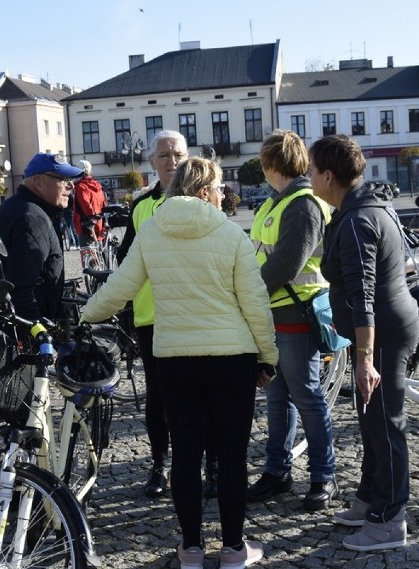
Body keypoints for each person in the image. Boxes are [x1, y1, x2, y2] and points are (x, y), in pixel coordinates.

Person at [83, 156, 276, 568]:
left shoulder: (151, 230)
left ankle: (189, 548)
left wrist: (83, 316)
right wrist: (268, 357)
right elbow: (256, 305)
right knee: (231, 456)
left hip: (175, 360)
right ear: (205, 191)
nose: (224, 195)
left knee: (186, 455)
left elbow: (120, 287)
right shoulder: (230, 233)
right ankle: (233, 549)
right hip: (232, 359)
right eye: (221, 187)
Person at [309, 134, 419, 551]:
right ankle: (370, 500)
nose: (308, 177)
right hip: (382, 328)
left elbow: (364, 296)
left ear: (329, 175)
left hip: (382, 332)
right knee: (371, 417)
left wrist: (365, 358)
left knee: (386, 423)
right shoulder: (362, 206)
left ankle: (391, 519)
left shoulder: (357, 220)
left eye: (311, 171)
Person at [247, 130, 338, 510]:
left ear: (271, 165)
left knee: (307, 397)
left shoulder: (302, 204)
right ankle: (277, 472)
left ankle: (323, 476)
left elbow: (285, 264)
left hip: (296, 315)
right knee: (277, 397)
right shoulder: (278, 202)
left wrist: (247, 293)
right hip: (275, 315)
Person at [114, 130, 187, 499]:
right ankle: (159, 464)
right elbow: (125, 259)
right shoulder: (141, 206)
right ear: (151, 162)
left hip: (194, 315)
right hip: (152, 318)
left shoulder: (200, 200)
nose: (171, 161)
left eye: (177, 154)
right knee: (158, 396)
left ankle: (206, 464)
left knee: (195, 395)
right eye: (164, 155)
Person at [0, 152, 83, 324]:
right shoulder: (33, 218)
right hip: (18, 334)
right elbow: (20, 290)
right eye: (62, 179)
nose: (71, 186)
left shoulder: (15, 206)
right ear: (38, 181)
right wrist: (40, 332)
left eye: (71, 180)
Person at [72, 159, 106, 246]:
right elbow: (104, 204)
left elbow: (85, 205)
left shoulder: (80, 186)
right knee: (100, 251)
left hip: (85, 224)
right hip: (99, 222)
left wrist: (91, 216)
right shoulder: (97, 185)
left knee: (87, 253)